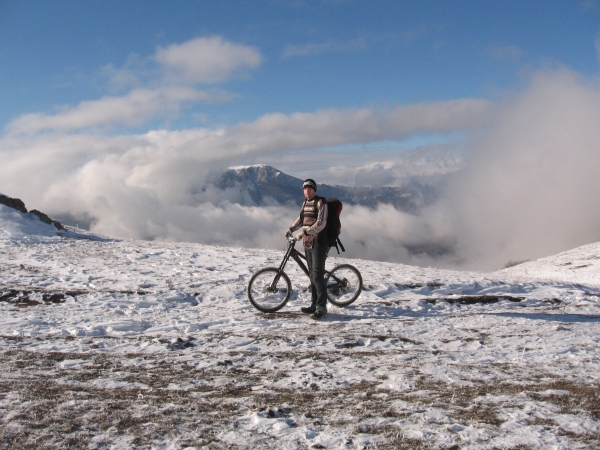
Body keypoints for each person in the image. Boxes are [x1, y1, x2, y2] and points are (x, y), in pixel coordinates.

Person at [285, 179, 329, 320]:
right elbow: (301, 219)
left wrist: (304, 232)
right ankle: (314, 304)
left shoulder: (320, 202)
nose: (306, 191)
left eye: (309, 188)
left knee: (317, 275)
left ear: (314, 189)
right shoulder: (305, 203)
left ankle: (321, 308)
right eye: (304, 188)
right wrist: (291, 228)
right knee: (312, 275)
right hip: (308, 243)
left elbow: (321, 223)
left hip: (319, 243)